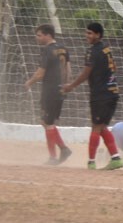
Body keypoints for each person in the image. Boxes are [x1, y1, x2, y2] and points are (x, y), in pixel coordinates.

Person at [62, 22, 123, 170]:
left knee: (96, 127)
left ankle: (91, 162)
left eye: (90, 33)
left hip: (101, 94)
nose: (86, 36)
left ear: (98, 35)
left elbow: (86, 73)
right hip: (112, 92)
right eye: (86, 32)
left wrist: (71, 86)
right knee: (102, 126)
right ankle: (115, 158)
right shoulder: (106, 48)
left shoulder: (93, 51)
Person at [24, 24, 72, 165]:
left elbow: (40, 73)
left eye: (39, 35)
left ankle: (53, 157)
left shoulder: (48, 50)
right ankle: (64, 149)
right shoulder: (63, 48)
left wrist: (29, 82)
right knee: (45, 122)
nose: (37, 38)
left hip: (50, 91)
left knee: (48, 123)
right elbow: (68, 69)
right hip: (60, 89)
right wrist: (67, 85)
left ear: (48, 35)